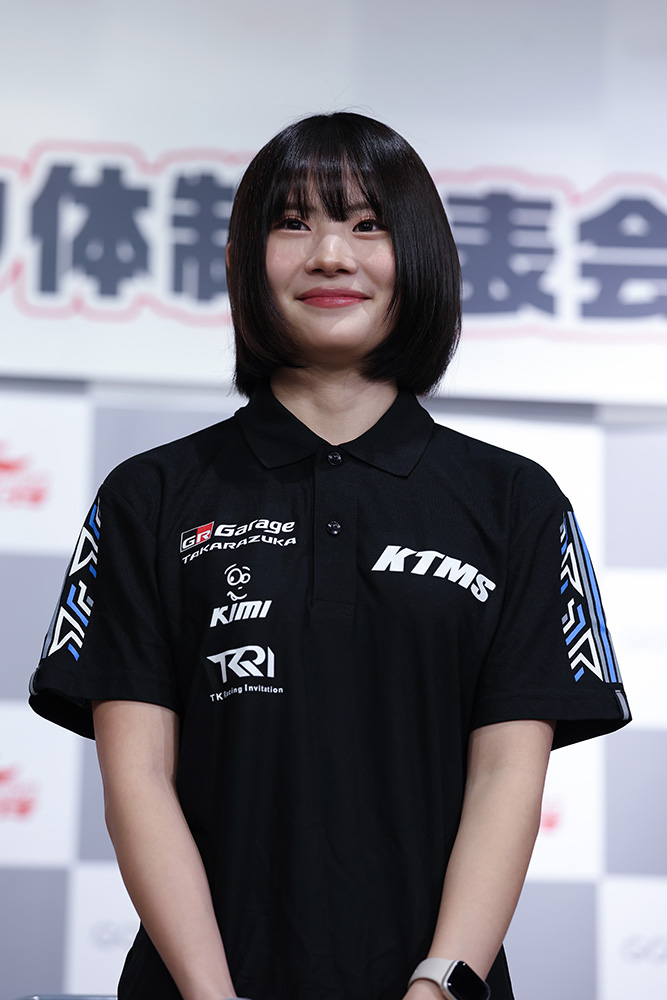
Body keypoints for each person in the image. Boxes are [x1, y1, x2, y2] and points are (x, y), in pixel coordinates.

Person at [29, 112, 631, 1000]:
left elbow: (506, 774)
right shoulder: (148, 496)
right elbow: (138, 778)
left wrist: (438, 984)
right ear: (242, 261)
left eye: (366, 223)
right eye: (292, 222)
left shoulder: (515, 502)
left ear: (421, 255)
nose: (329, 255)